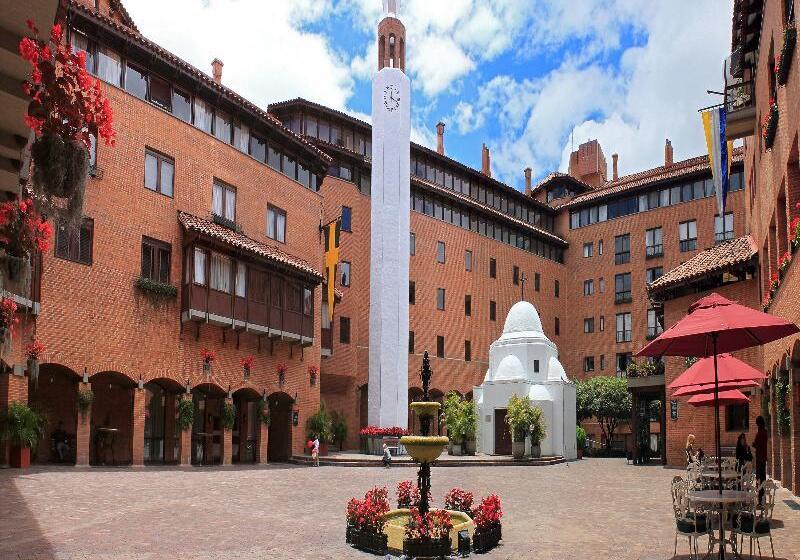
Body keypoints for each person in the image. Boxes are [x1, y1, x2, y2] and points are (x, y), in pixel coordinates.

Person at [753, 416, 768, 503]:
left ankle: (760, 499)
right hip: (763, 458)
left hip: (759, 458)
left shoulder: (760, 433)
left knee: (759, 478)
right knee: (763, 478)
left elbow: (756, 444)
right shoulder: (765, 432)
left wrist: (753, 443)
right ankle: (763, 498)